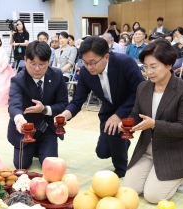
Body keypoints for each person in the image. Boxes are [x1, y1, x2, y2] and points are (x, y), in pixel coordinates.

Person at [121, 39, 183, 203]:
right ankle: (156, 174)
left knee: (153, 197)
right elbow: (136, 113)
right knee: (130, 190)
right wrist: (128, 124)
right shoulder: (143, 87)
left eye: (154, 66)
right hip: (147, 150)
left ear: (169, 64)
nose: (149, 71)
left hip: (173, 151)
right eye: (146, 67)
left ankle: (181, 176)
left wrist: (154, 124)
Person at [59, 36, 144, 178]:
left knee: (114, 132)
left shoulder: (124, 63)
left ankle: (122, 169)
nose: (89, 67)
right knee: (102, 152)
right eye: (85, 63)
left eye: (92, 63)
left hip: (131, 108)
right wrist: (65, 114)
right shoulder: (86, 72)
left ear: (106, 57)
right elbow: (78, 100)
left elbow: (140, 92)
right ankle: (122, 143)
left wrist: (119, 115)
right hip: (108, 112)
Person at [7, 41, 68, 169]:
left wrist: (45, 109)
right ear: (25, 60)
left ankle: (42, 147)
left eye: (42, 64)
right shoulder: (18, 80)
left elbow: (63, 104)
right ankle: (33, 149)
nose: (37, 68)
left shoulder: (57, 75)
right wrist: (19, 119)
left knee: (49, 165)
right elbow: (14, 104)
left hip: (47, 128)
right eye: (32, 64)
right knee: (21, 165)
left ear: (49, 61)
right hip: (27, 128)